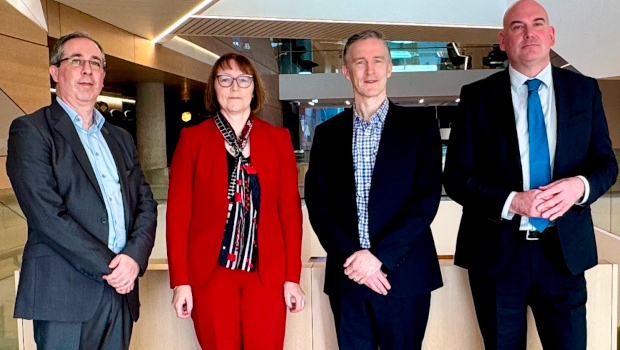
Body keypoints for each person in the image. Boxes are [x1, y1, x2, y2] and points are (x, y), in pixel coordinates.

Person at [443, 1, 618, 349]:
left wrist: (579, 187)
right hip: (496, 256)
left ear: (551, 35)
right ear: (504, 40)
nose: (529, 33)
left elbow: (606, 165)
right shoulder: (476, 97)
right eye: (517, 26)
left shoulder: (584, 91)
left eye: (537, 24)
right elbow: (457, 176)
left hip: (564, 255)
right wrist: (512, 201)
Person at [7, 31, 157, 349]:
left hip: (121, 292)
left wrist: (133, 258)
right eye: (76, 61)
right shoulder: (31, 130)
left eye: (95, 63)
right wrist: (111, 266)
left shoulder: (121, 138)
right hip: (65, 295)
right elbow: (47, 215)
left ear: (103, 76)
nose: (87, 69)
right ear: (54, 72)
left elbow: (145, 202)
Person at [304, 30, 443, 350]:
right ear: (346, 71)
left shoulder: (419, 128)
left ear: (390, 68)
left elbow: (425, 202)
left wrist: (378, 258)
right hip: (349, 277)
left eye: (378, 61)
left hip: (404, 277)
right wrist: (356, 259)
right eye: (360, 62)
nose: (370, 70)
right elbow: (319, 204)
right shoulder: (327, 134)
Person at [166, 52, 305, 350]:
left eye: (243, 79)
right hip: (211, 274)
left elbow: (290, 215)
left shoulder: (277, 139)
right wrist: (181, 282)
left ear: (254, 88)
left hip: (265, 275)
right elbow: (178, 216)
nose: (234, 87)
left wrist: (292, 278)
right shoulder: (192, 140)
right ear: (213, 88)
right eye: (225, 79)